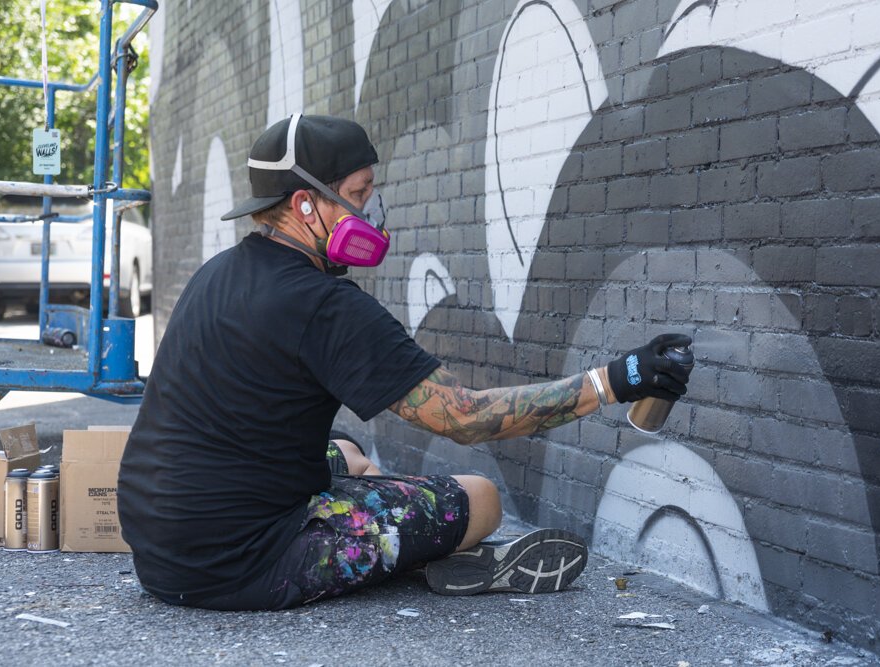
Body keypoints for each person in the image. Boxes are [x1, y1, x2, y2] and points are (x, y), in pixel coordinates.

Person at [117, 114, 692, 611]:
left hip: (161, 546)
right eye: (362, 193)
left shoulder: (216, 273)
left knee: (348, 451)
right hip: (240, 566)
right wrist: (618, 380)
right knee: (480, 498)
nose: (373, 209)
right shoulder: (324, 305)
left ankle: (383, 520)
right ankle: (419, 555)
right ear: (305, 204)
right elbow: (465, 418)